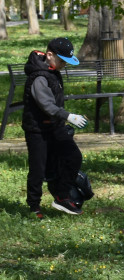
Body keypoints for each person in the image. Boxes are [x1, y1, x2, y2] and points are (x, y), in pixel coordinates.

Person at [23, 37, 89, 217]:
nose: (64, 65)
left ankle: (61, 195)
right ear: (49, 55)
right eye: (62, 61)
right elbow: (47, 105)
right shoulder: (38, 77)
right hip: (37, 130)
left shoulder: (53, 71)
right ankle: (34, 206)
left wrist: (65, 118)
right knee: (38, 168)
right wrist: (69, 116)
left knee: (73, 157)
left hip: (55, 126)